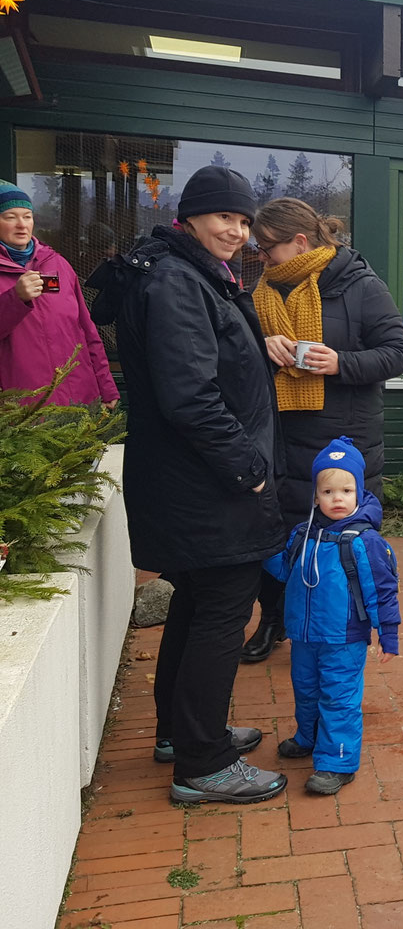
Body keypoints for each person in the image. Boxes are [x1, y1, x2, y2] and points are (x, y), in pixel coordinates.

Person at [88, 164, 287, 804]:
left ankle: (181, 731)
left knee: (198, 605)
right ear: (190, 218)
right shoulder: (177, 282)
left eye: (243, 219)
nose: (236, 229)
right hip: (207, 485)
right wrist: (247, 467)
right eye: (224, 216)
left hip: (194, 483)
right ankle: (202, 763)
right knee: (221, 612)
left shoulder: (189, 274)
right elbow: (190, 396)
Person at [240, 197, 403, 663]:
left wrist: (341, 363)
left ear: (300, 242)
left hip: (340, 442)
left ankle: (338, 628)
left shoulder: (361, 285)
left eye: (268, 246)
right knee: (279, 538)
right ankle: (274, 620)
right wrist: (261, 341)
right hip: (278, 434)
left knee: (334, 543)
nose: (261, 256)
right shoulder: (261, 290)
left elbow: (399, 353)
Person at [266, 437, 400, 794]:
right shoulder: (302, 535)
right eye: (328, 491)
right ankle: (308, 737)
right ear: (315, 496)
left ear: (359, 492)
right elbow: (284, 571)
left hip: (344, 637)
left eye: (346, 490)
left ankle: (337, 761)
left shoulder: (364, 541)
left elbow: (383, 592)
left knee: (338, 697)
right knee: (306, 690)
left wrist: (388, 634)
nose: (337, 498)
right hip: (305, 636)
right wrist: (260, 547)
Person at [0, 179, 118, 407]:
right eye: (10, 217)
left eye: (27, 216)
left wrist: (106, 387)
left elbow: (86, 329)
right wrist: (16, 299)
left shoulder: (57, 265)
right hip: (23, 408)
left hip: (78, 398)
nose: (21, 225)